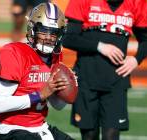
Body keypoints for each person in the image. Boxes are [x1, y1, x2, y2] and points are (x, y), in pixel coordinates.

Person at [62, 0, 147, 140]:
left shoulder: (136, 3)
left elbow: (145, 39)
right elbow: (68, 37)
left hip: (116, 81)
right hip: (86, 78)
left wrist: (136, 59)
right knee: (89, 135)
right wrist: (100, 46)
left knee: (111, 136)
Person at [0, 3, 75, 140]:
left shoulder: (56, 55)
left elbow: (57, 105)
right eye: (43, 31)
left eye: (53, 33)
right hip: (11, 129)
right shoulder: (16, 52)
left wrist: (66, 86)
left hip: (39, 127)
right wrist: (40, 95)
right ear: (33, 29)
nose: (48, 37)